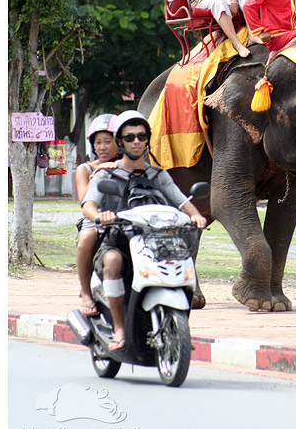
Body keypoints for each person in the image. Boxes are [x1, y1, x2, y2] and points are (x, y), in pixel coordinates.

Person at [81, 110, 207, 352]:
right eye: (130, 137)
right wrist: (100, 216)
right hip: (116, 240)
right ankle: (119, 329)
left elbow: (181, 201)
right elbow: (88, 205)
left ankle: (175, 325)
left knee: (179, 261)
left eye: (141, 136)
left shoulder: (157, 175)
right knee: (113, 261)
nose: (136, 141)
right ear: (120, 142)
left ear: (148, 139)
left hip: (154, 242)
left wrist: (196, 215)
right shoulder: (106, 174)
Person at [74, 113, 120, 316]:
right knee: (87, 236)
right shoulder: (85, 169)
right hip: (95, 219)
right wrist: (99, 172)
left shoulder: (126, 165)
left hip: (121, 218)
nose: (102, 147)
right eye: (98, 143)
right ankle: (85, 292)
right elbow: (84, 199)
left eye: (108, 142)